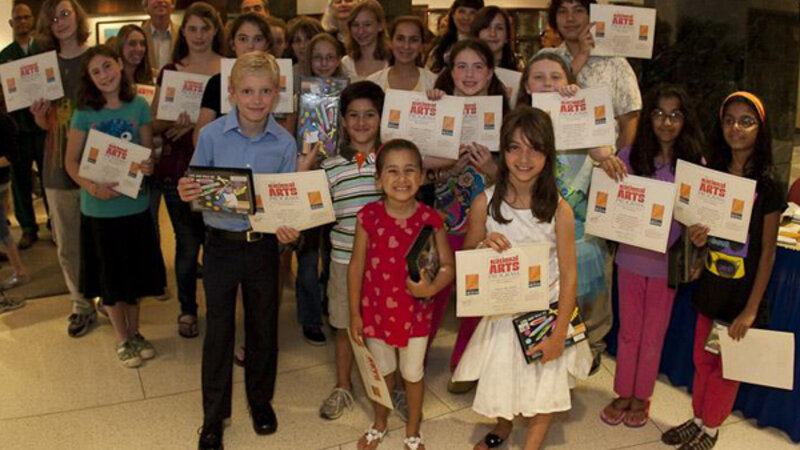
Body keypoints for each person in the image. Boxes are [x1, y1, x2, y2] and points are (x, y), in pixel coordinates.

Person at [177, 51, 299, 450]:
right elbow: (194, 183)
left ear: (278, 93)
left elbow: (286, 203)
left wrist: (288, 229)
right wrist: (186, 189)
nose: (257, 99)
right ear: (231, 93)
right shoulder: (211, 134)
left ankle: (260, 402)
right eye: (247, 91)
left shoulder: (284, 143)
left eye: (265, 91)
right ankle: (214, 417)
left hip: (263, 249)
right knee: (219, 333)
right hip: (220, 249)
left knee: (264, 329)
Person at [452, 106, 591, 450]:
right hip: (502, 312)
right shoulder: (485, 203)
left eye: (534, 148)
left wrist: (560, 333)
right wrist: (484, 246)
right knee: (503, 376)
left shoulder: (560, 210)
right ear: (503, 150)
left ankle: (531, 444)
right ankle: (503, 425)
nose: (524, 158)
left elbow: (570, 275)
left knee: (545, 383)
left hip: (547, 312)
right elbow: (466, 260)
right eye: (514, 147)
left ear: (548, 154)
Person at [661, 91, 784, 450]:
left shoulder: (769, 185)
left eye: (746, 121)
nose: (736, 128)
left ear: (760, 129)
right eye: (729, 120)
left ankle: (711, 429)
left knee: (726, 367)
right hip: (712, 285)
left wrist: (750, 309)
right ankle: (699, 419)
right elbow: (704, 234)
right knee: (702, 359)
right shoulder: (711, 173)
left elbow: (767, 254)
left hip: (741, 296)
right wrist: (698, 237)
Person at [518, 50, 626, 374]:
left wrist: (578, 112)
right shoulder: (519, 127)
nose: (548, 83)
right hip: (534, 237)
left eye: (556, 77)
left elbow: (606, 155)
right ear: (526, 85)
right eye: (539, 77)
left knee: (588, 311)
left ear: (570, 82)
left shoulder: (589, 118)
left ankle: (583, 358)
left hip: (582, 237)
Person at [602, 84, 704, 427]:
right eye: (659, 113)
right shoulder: (631, 155)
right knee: (629, 331)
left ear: (685, 120)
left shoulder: (694, 164)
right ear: (649, 117)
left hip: (665, 264)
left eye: (675, 115)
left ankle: (641, 397)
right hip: (630, 258)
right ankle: (622, 393)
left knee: (652, 335)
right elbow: (612, 199)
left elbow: (698, 216)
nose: (666, 122)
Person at [350, 138, 455, 450]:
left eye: (410, 170)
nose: (401, 178)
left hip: (416, 313)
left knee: (412, 372)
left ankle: (413, 428)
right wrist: (355, 313)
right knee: (381, 371)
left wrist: (431, 287)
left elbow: (448, 265)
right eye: (392, 171)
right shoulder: (367, 216)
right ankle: (379, 422)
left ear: (422, 176)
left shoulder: (431, 219)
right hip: (376, 310)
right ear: (378, 179)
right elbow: (356, 266)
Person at [63, 44, 163, 368]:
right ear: (90, 79)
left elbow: (147, 155)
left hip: (134, 207)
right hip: (99, 211)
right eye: (96, 72)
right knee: (110, 278)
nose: (104, 75)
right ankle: (122, 338)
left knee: (134, 276)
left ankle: (135, 333)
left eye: (107, 66)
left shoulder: (138, 107)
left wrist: (148, 166)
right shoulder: (84, 113)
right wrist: (91, 186)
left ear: (119, 65)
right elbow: (71, 162)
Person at [420, 39, 506, 391]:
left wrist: (491, 168)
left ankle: (465, 365)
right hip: (441, 217)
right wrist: (445, 164)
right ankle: (414, 359)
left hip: (483, 221)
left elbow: (514, 177)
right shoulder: (436, 107)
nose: (469, 74)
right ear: (449, 71)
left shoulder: (504, 117)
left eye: (478, 67)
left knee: (475, 294)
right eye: (461, 66)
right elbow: (415, 166)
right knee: (432, 291)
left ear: (489, 73)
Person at [151, 1, 223, 339]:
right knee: (186, 243)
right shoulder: (171, 71)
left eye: (204, 28)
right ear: (184, 33)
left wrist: (197, 123)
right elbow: (153, 123)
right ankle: (187, 310)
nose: (198, 35)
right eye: (191, 29)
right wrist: (171, 123)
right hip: (177, 167)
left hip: (219, 170)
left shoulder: (229, 69)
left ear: (215, 31)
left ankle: (219, 308)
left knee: (217, 244)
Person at [317, 80, 385, 420]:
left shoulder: (392, 162)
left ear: (382, 118)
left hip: (385, 264)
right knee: (344, 327)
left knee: (387, 329)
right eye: (354, 115)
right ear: (342, 120)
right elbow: (312, 208)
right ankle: (343, 385)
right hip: (343, 261)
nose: (361, 122)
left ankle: (394, 388)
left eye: (370, 114)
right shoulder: (329, 166)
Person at [30, 0, 97, 337]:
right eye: (54, 18)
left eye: (66, 14)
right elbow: (44, 125)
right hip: (57, 165)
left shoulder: (96, 58)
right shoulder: (43, 66)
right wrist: (39, 113)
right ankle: (81, 304)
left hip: (98, 166)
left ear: (78, 16)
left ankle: (108, 297)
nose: (61, 22)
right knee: (68, 242)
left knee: (99, 238)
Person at [546, 0, 641, 150]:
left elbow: (629, 121)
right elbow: (541, 105)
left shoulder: (615, 62)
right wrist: (582, 55)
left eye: (578, 10)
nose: (570, 18)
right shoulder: (546, 60)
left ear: (592, 16)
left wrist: (618, 164)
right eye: (562, 11)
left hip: (606, 165)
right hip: (555, 164)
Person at [1, 1, 48, 250]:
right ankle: (29, 228)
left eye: (26, 17)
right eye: (17, 19)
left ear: (32, 20)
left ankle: (53, 224)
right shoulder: (4, 56)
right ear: (11, 23)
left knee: (49, 177)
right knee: (20, 182)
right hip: (17, 129)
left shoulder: (44, 51)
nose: (22, 22)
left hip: (42, 127)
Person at [193, 13, 272, 146]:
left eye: (258, 39)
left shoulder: (279, 81)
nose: (250, 46)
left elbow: (286, 135)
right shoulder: (216, 83)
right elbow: (199, 139)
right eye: (243, 39)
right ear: (232, 43)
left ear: (267, 45)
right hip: (224, 160)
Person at [0, 110, 30, 291]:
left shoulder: (4, 122)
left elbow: (11, 156)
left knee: (2, 230)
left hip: (0, 182)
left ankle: (19, 271)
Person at [367, 16, 437, 92]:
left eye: (414, 40)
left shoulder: (434, 83)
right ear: (390, 42)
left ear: (422, 46)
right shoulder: (373, 82)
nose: (406, 46)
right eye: (400, 39)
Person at [426, 0, 484, 74]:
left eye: (472, 13)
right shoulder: (441, 46)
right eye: (461, 12)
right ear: (453, 15)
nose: (466, 17)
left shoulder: (485, 46)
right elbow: (428, 75)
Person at [340, 0, 390, 82]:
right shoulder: (345, 64)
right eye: (356, 25)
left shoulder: (392, 61)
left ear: (380, 25)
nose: (361, 31)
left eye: (367, 25)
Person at [469, 6, 523, 71]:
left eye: (499, 28)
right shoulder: (465, 70)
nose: (493, 34)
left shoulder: (517, 72)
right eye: (486, 27)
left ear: (506, 37)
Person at [141, 0, 178, 76]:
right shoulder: (139, 37)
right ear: (146, 6)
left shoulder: (184, 35)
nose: (160, 1)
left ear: (173, 4)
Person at [287, 16, 325, 89]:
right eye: (297, 40)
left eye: (308, 39)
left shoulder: (333, 69)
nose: (302, 46)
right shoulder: (288, 74)